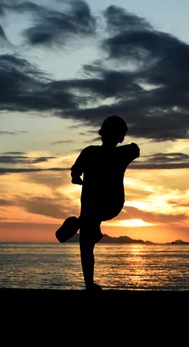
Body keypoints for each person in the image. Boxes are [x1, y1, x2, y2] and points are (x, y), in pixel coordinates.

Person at [55, 115, 140, 291]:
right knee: (87, 240)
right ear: (120, 137)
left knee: (86, 242)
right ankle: (89, 285)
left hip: (95, 203)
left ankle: (77, 223)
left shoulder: (90, 152)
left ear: (101, 134)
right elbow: (135, 149)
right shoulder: (121, 154)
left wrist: (78, 178)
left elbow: (74, 174)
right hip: (111, 203)